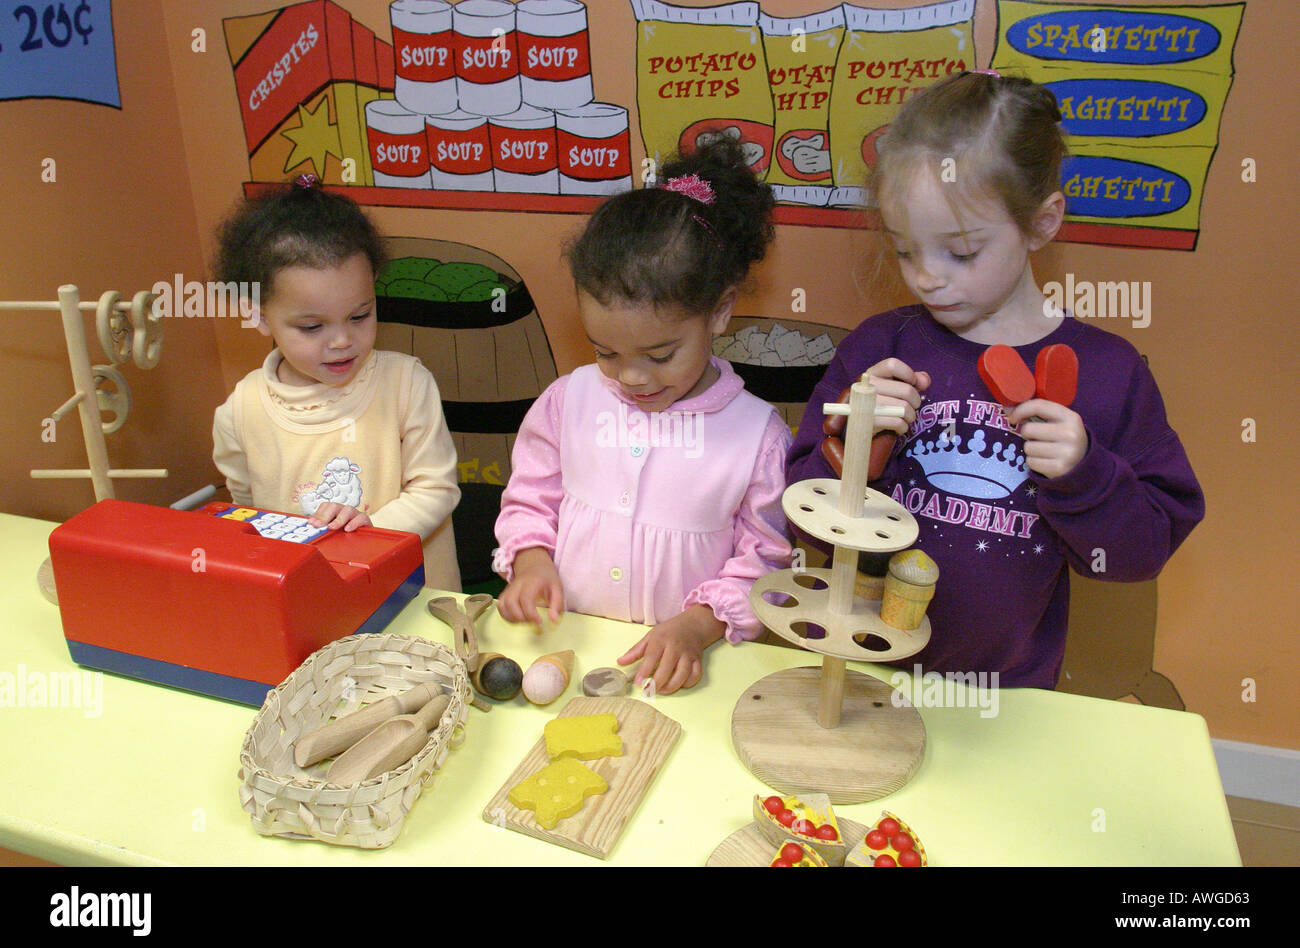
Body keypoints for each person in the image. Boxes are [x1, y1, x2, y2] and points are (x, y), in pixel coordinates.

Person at [787, 72, 1204, 688]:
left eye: (960, 252)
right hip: (852, 673)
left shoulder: (1111, 372)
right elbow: (795, 519)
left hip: (1006, 695)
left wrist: (1086, 475)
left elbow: (1133, 559)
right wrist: (849, 449)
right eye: (906, 250)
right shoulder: (882, 346)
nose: (927, 278)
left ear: (1041, 222)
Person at [493, 139, 793, 694]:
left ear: (720, 311)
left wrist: (697, 627)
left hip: (687, 668)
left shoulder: (757, 437)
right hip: (570, 648)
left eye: (659, 356)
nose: (632, 378)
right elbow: (530, 499)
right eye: (605, 351)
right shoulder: (569, 400)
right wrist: (532, 562)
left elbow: (766, 564)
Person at [211, 174, 461, 590]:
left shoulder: (405, 383)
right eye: (312, 326)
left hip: (414, 598)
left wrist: (372, 530)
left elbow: (437, 489)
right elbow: (248, 515)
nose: (343, 341)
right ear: (255, 314)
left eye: (360, 315)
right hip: (310, 603)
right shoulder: (241, 411)